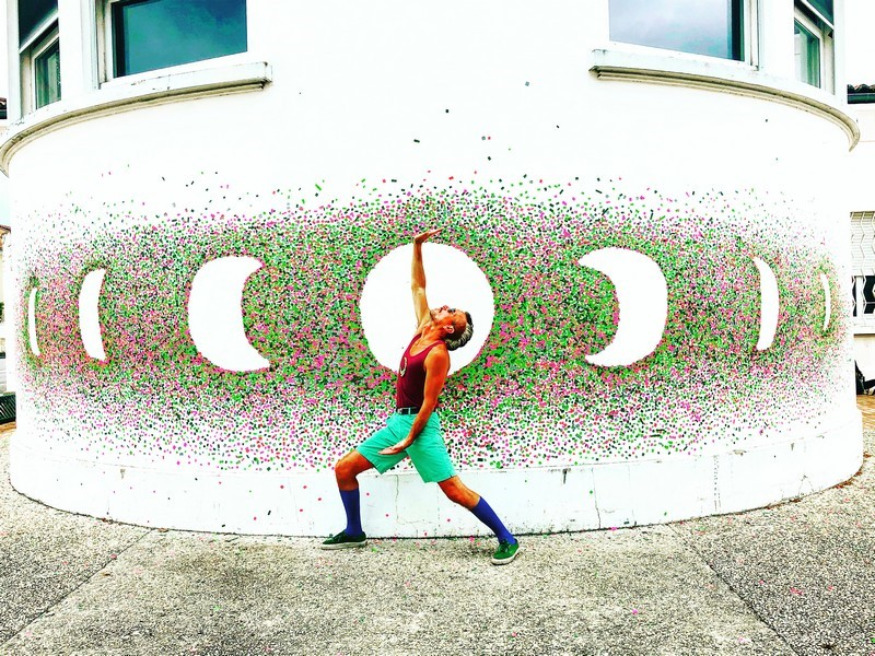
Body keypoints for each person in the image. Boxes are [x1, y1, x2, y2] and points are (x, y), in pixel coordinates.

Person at [321, 229, 520, 564]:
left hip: (421, 428)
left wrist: (410, 439)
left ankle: (507, 538)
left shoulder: (438, 354)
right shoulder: (422, 330)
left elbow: (429, 404)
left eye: (451, 311)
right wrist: (417, 246)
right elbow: (418, 286)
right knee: (344, 469)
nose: (444, 307)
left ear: (448, 328)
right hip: (400, 423)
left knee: (454, 490)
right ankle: (354, 532)